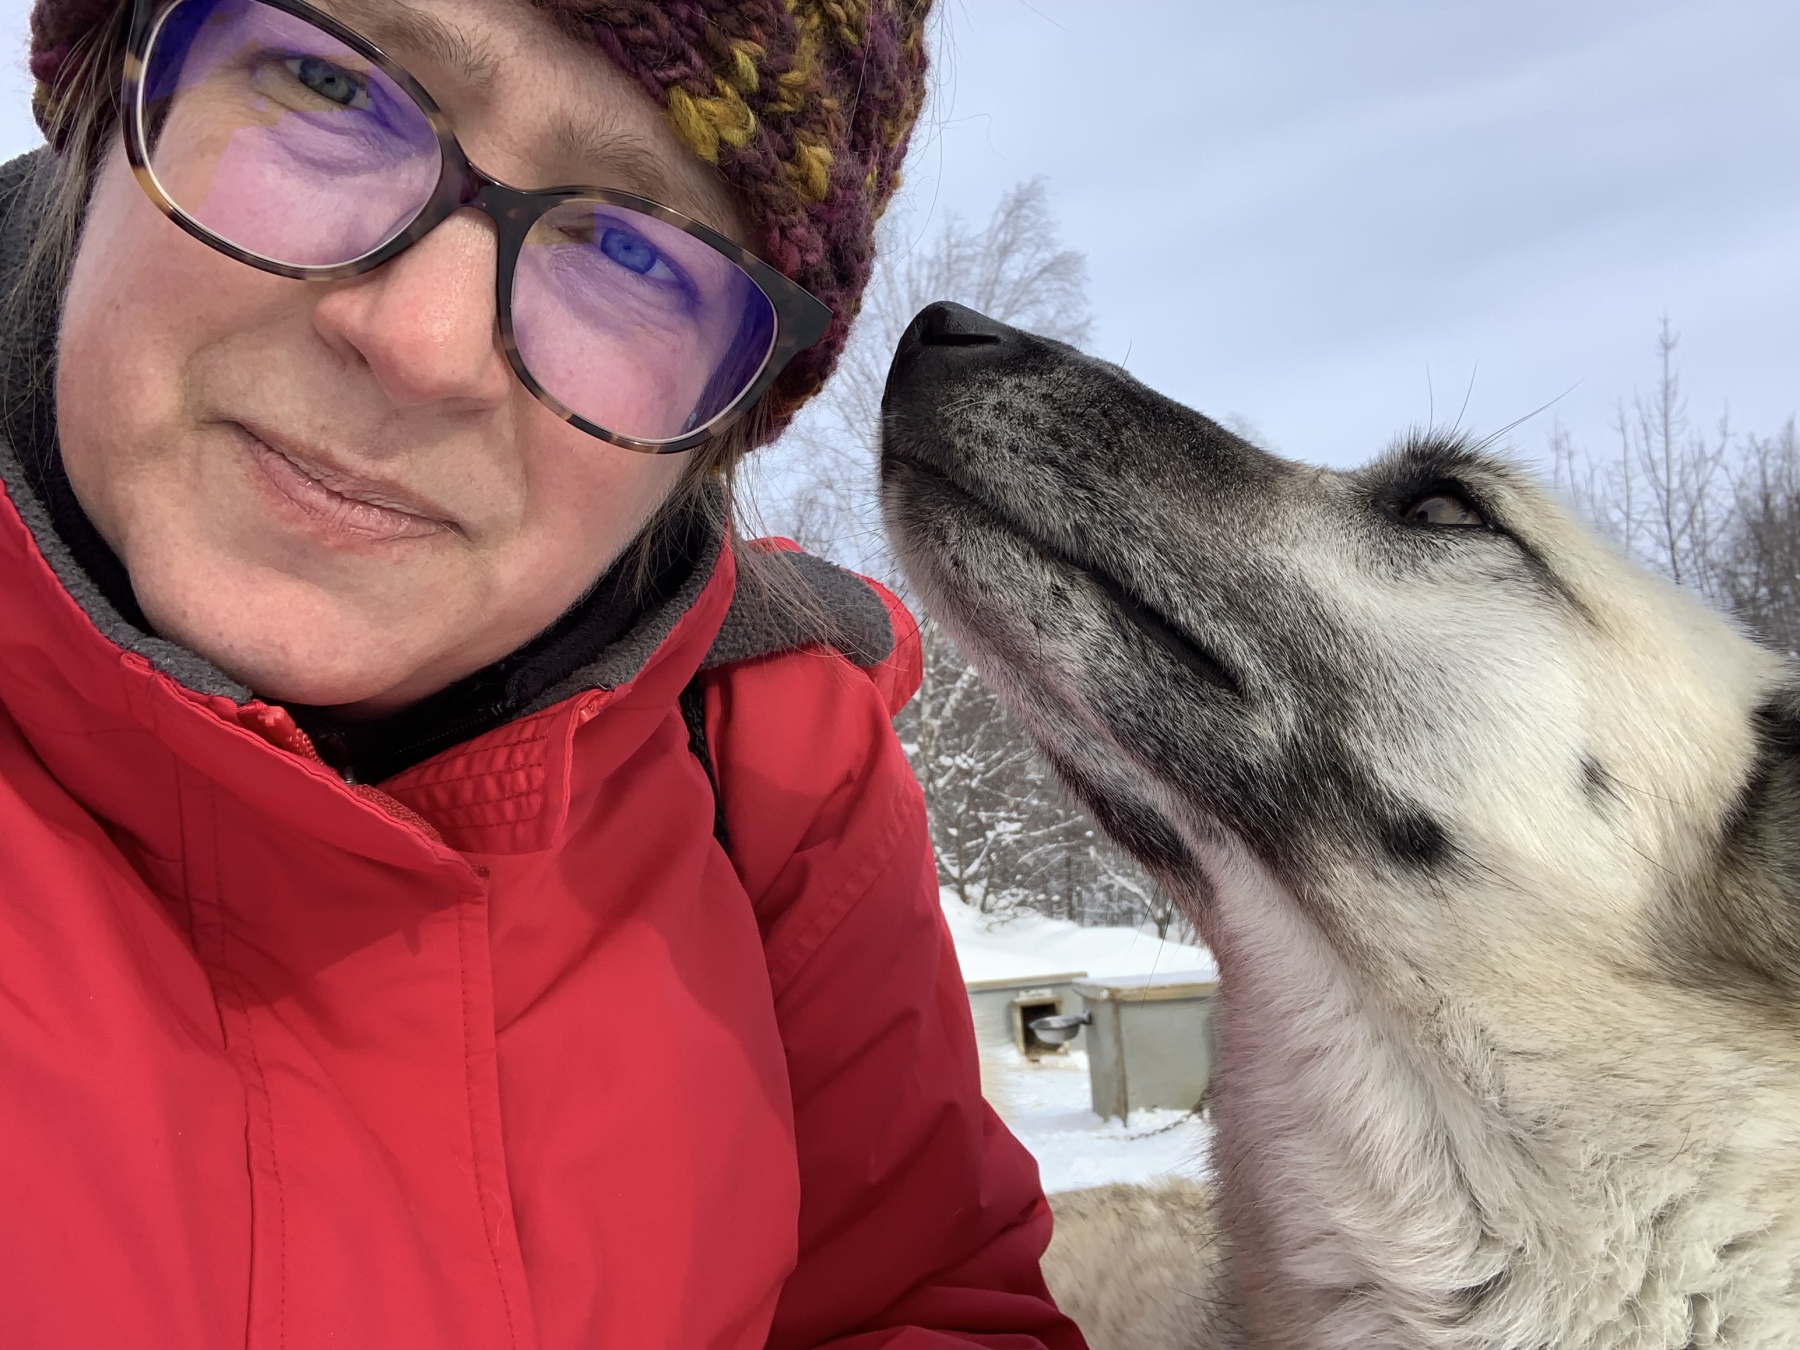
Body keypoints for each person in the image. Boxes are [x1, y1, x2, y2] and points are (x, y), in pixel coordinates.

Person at [0, 1, 1086, 1346]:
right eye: (331, 90)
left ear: (717, 427)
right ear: (112, 90)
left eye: (629, 247)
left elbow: (925, 1298)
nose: (423, 344)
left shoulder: (776, 769)